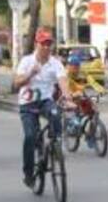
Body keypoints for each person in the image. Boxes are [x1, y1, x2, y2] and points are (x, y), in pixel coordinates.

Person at [14, 29, 71, 187]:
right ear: (36, 44)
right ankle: (28, 172)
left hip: (45, 101)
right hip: (27, 103)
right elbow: (17, 83)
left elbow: (63, 81)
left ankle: (57, 144)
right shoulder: (26, 61)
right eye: (43, 44)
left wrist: (67, 98)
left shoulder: (55, 63)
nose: (46, 47)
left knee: (55, 112)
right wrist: (30, 74)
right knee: (31, 136)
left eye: (49, 44)